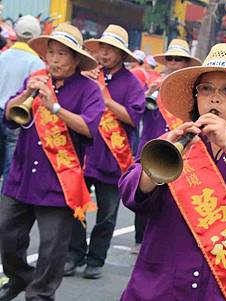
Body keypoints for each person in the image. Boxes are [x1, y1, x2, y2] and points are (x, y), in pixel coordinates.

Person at [119, 43, 226, 300]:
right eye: (206, 88)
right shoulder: (174, 139)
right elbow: (131, 193)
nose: (214, 97)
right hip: (161, 283)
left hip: (220, 286)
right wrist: (164, 156)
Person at [0, 23, 104, 301]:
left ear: (75, 59)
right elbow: (9, 114)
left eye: (61, 54)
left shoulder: (89, 90)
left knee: (51, 248)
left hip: (58, 182)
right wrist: (26, 94)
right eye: (51, 53)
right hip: (21, 176)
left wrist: (55, 108)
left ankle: (40, 294)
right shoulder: (36, 78)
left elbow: (89, 127)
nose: (54, 59)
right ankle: (20, 276)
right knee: (6, 235)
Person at [64, 24, 145, 279]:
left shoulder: (132, 83)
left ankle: (96, 259)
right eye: (102, 48)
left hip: (111, 159)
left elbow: (133, 118)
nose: (104, 53)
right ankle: (73, 254)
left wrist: (104, 97)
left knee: (107, 215)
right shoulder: (85, 75)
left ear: (122, 54)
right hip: (83, 154)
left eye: (111, 49)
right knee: (75, 207)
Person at [131, 39, 201, 254]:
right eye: (169, 58)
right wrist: (149, 93)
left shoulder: (191, 92)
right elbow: (138, 113)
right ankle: (140, 239)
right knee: (144, 189)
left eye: (178, 59)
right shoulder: (155, 81)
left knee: (171, 196)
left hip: (177, 150)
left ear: (187, 63)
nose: (172, 63)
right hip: (152, 144)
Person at [0, 15, 44, 185]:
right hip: (16, 116)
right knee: (10, 166)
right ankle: (4, 205)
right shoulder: (36, 63)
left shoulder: (2, 56)